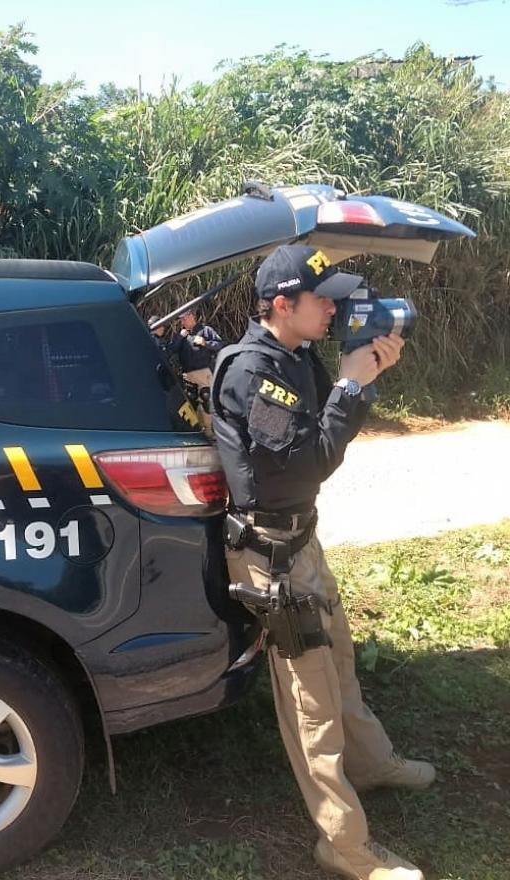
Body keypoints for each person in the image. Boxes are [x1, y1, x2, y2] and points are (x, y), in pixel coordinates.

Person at [211, 245, 434, 880]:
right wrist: (352, 385)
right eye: (322, 299)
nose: (335, 307)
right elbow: (304, 466)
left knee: (339, 661)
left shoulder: (296, 357)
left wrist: (351, 380)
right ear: (282, 305)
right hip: (271, 558)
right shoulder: (255, 371)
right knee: (312, 704)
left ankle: (372, 763)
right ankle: (344, 845)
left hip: (300, 540)